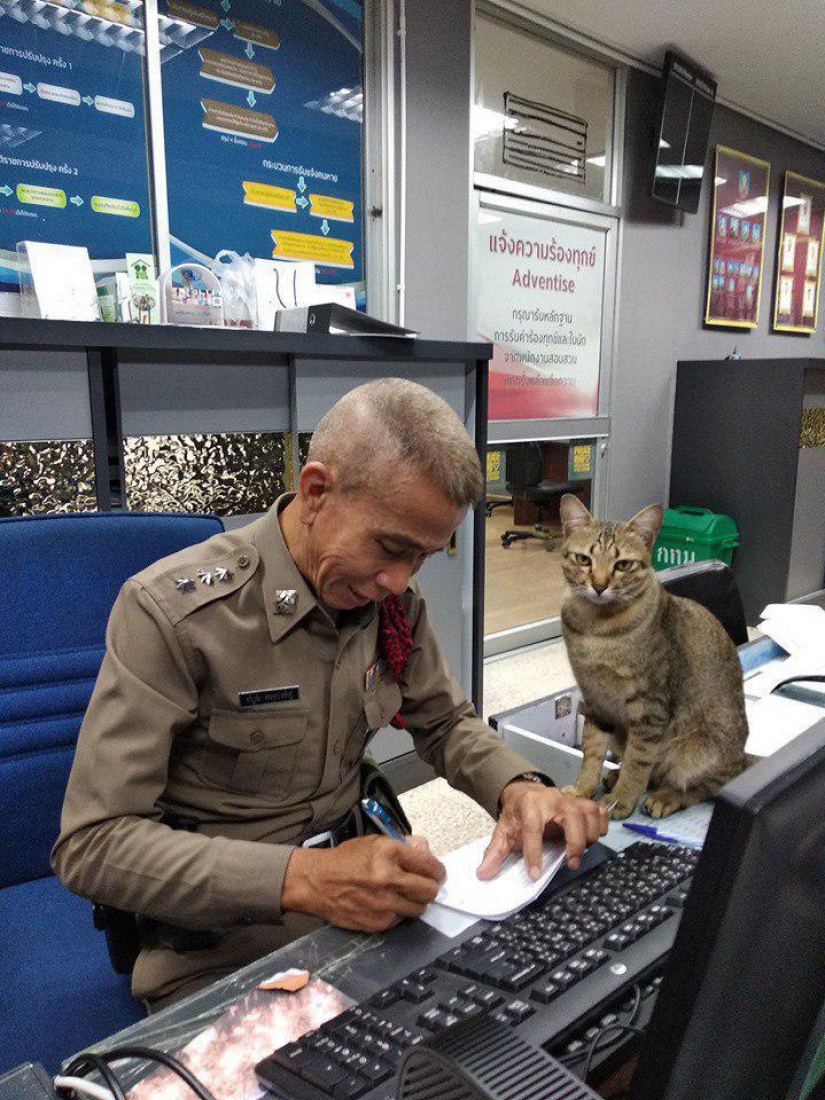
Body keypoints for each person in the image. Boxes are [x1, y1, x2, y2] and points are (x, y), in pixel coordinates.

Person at [52, 378, 607, 1010]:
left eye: (424, 556)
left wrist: (521, 787)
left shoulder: (388, 597)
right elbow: (92, 844)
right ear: (316, 492)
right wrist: (303, 879)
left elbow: (445, 721)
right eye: (391, 547)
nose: (399, 579)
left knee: (522, 1011)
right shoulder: (176, 616)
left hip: (367, 895)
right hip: (222, 940)